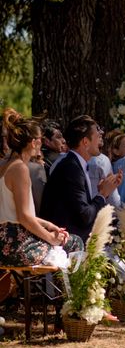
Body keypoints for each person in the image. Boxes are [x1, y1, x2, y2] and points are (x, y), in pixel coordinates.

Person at [0, 108, 83, 266]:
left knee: (62, 237)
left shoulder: (4, 166)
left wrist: (48, 225)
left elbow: (14, 214)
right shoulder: (19, 169)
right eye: (40, 138)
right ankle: (67, 292)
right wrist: (50, 237)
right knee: (75, 242)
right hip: (16, 246)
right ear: (33, 142)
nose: (41, 142)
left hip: (6, 241)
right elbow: (24, 217)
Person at [40, 115, 122, 243]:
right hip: (66, 245)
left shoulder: (76, 164)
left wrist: (102, 191)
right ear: (85, 142)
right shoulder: (71, 168)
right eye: (97, 136)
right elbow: (84, 216)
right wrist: (102, 194)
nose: (100, 138)